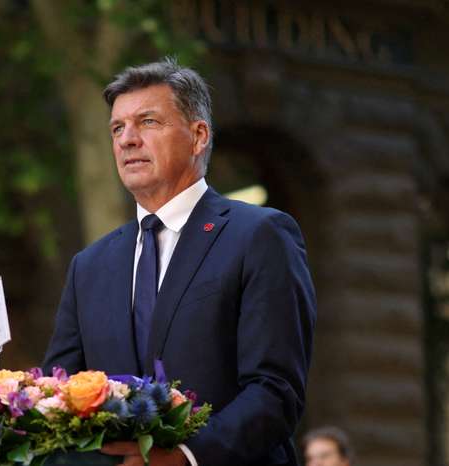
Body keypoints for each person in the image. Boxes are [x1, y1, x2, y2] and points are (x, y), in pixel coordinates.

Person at [42, 58, 317, 466]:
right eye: (118, 128)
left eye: (148, 122)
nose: (127, 139)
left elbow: (275, 390)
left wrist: (184, 456)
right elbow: (60, 395)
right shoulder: (90, 266)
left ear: (198, 135)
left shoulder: (260, 234)